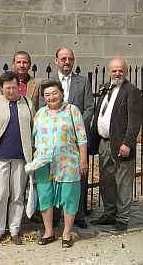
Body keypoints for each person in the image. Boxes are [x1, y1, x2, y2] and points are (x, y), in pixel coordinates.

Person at [25, 80, 88, 248]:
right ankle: (48, 231)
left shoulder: (72, 111)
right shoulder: (40, 114)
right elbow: (33, 139)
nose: (51, 97)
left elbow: (81, 137)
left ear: (61, 93)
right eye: (47, 95)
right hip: (44, 163)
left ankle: (67, 232)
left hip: (67, 162)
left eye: (54, 93)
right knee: (45, 196)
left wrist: (83, 160)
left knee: (69, 196)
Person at [90, 58, 142, 231]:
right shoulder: (106, 88)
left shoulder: (131, 90)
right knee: (106, 181)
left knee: (123, 182)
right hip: (104, 143)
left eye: (121, 70)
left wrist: (128, 143)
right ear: (109, 71)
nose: (117, 73)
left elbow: (135, 121)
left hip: (121, 145)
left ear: (126, 71)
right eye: (114, 70)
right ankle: (109, 213)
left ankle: (122, 218)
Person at [0, 71, 35, 246]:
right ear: (1, 88)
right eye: (7, 88)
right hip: (0, 156)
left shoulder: (27, 103)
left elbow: (33, 128)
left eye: (14, 87)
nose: (11, 90)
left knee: (17, 194)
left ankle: (14, 229)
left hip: (21, 156)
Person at [49, 47, 94, 229]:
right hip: (55, 141)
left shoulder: (82, 82)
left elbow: (90, 107)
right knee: (56, 178)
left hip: (76, 140)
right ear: (56, 60)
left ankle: (79, 215)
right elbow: (44, 108)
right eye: (63, 58)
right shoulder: (49, 82)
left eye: (70, 59)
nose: (67, 62)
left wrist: (74, 127)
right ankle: (56, 214)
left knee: (78, 179)